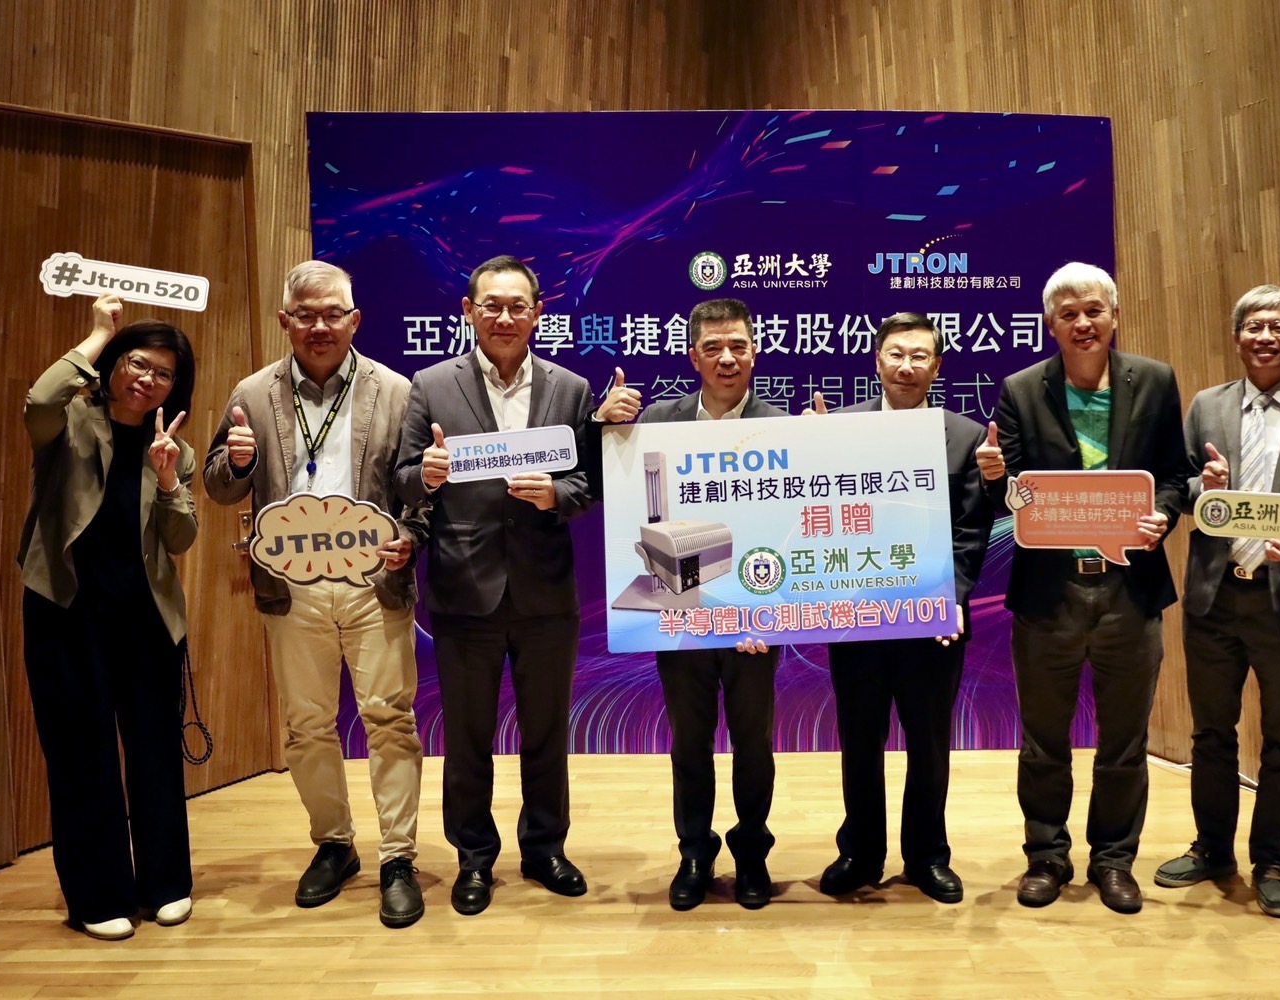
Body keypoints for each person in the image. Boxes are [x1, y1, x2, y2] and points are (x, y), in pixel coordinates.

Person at [203, 261, 427, 928]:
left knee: (389, 719)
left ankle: (397, 856)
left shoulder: (395, 390)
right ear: (285, 321)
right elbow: (219, 485)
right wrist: (237, 462)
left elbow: (419, 487)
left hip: (372, 581)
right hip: (292, 588)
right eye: (306, 314)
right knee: (306, 726)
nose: (320, 326)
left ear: (355, 320)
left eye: (333, 314)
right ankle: (334, 845)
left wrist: (409, 536)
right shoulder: (252, 391)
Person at [394, 254, 601, 914]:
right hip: (463, 589)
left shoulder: (570, 389)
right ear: (468, 311)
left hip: (545, 593)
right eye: (492, 305)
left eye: (518, 306)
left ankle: (544, 848)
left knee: (545, 733)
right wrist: (423, 474)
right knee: (469, 736)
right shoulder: (429, 384)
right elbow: (401, 474)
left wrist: (557, 496)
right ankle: (474, 858)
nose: (505, 317)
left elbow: (589, 481)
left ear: (537, 312)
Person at [1151, 285, 1280, 917]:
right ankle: (1213, 848)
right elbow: (1179, 488)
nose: (1264, 338)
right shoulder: (1207, 407)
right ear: (1236, 337)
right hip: (1214, 597)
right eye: (1253, 327)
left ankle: (1272, 859)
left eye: (1277, 326)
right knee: (1211, 733)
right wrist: (1199, 485)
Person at [994, 261, 1187, 914]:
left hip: (1128, 593)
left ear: (1113, 316)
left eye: (1093, 310)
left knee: (1124, 740)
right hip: (1050, 594)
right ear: (1050, 324)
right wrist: (999, 476)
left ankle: (1113, 861)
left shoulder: (1154, 382)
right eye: (1068, 313)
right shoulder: (1020, 391)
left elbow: (1173, 473)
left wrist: (1164, 509)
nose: (1082, 323)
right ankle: (1045, 857)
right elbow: (1015, 493)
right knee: (1043, 740)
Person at [18, 293, 198, 940]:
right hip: (67, 613)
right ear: (116, 364)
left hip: (146, 620)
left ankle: (166, 883)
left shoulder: (170, 443)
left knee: (154, 752)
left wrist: (171, 480)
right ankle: (98, 894)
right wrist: (97, 333)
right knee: (79, 752)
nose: (147, 379)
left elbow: (180, 541)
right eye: (138, 363)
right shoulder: (70, 420)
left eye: (164, 373)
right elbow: (37, 400)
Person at [810, 312, 1000, 904]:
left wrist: (954, 597)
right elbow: (813, 519)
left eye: (921, 355)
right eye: (897, 354)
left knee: (929, 742)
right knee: (859, 740)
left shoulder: (963, 435)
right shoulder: (837, 429)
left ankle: (927, 857)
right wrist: (810, 453)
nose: (907, 366)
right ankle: (860, 853)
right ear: (877, 360)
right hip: (858, 611)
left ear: (937, 366)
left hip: (932, 618)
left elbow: (972, 530)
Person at [636, 298, 786, 911]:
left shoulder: (783, 426)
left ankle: (752, 851)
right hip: (683, 616)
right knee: (689, 743)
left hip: (755, 623)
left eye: (740, 347)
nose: (728, 358)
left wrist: (764, 610)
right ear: (693, 354)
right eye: (714, 348)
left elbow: (790, 531)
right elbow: (636, 510)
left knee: (754, 746)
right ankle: (695, 852)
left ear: (755, 351)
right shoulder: (656, 422)